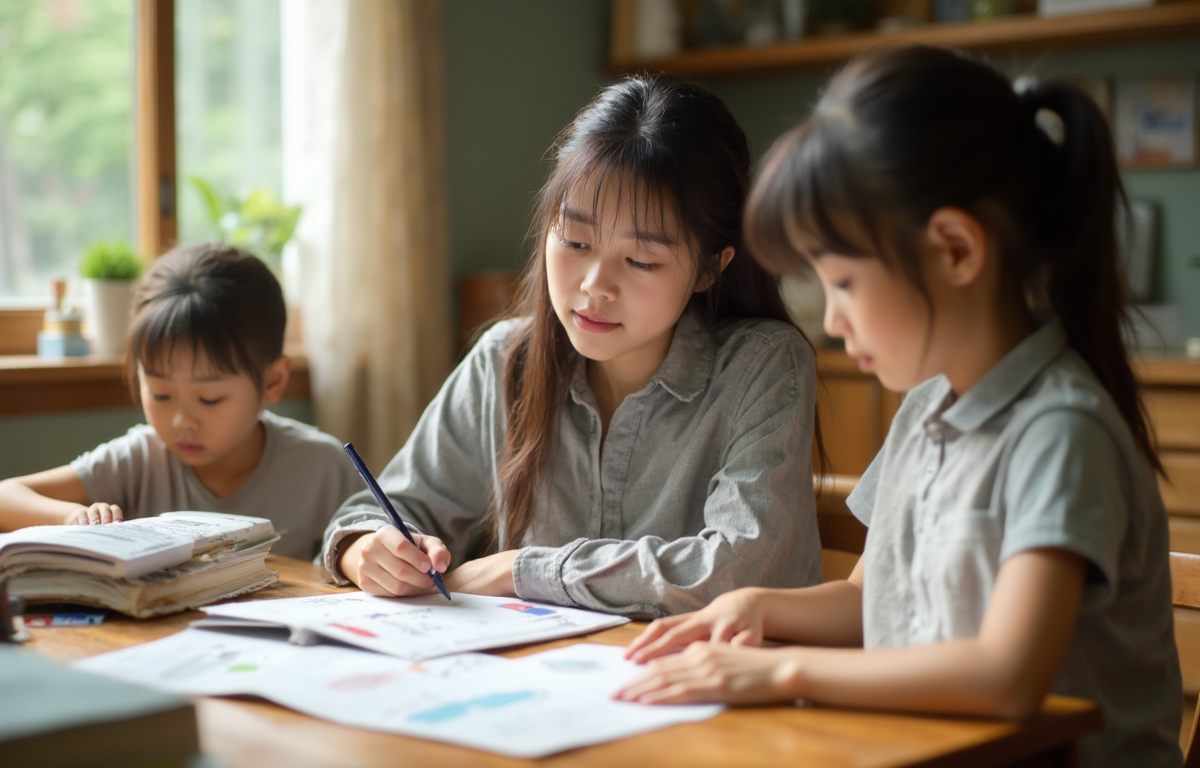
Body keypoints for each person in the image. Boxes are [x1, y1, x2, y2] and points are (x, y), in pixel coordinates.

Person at [616, 45, 1183, 766]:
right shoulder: (926, 410)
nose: (831, 319)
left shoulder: (1060, 431)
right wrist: (757, 608)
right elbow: (869, 602)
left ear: (953, 250)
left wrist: (782, 670)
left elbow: (1007, 677)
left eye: (846, 282)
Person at [322, 75, 825, 618]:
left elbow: (737, 569)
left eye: (641, 261)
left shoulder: (763, 366)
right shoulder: (506, 361)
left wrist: (523, 570)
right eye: (576, 241)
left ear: (709, 268)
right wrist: (366, 549)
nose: (594, 286)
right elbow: (390, 506)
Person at [0, 244, 364, 561]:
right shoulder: (140, 459)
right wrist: (70, 518)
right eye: (159, 394)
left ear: (273, 381)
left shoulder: (323, 466)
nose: (180, 422)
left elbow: (371, 544)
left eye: (209, 398)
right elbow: (6, 495)